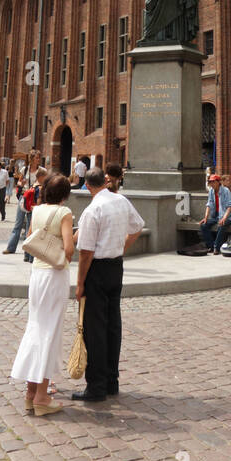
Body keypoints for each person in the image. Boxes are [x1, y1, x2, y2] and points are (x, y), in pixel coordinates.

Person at [71, 167, 143, 402]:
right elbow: (137, 226)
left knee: (95, 330)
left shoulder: (93, 209)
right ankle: (112, 381)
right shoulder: (121, 200)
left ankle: (97, 386)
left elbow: (86, 253)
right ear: (105, 181)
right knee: (114, 325)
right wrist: (121, 248)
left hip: (98, 270)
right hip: (116, 267)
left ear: (88, 186)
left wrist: (80, 283)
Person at [10, 173, 76, 416]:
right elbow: (68, 248)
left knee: (36, 327)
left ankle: (30, 393)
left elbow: (30, 236)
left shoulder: (36, 210)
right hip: (55, 275)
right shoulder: (64, 213)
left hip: (37, 274)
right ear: (65, 195)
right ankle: (41, 397)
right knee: (50, 331)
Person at [200, 173, 231, 254]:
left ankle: (217, 247)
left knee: (221, 225)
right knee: (203, 225)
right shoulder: (211, 191)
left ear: (218, 182)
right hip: (216, 216)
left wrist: (224, 218)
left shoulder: (226, 191)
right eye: (210, 182)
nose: (211, 184)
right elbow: (208, 204)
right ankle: (211, 246)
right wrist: (205, 217)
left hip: (227, 217)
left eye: (213, 182)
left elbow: (230, 206)